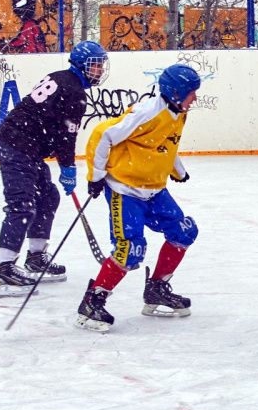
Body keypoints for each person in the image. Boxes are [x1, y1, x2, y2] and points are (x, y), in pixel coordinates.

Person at [76, 64, 203, 331]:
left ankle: (156, 288)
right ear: (176, 92)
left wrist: (178, 170)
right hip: (126, 190)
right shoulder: (147, 112)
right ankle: (93, 302)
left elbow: (166, 144)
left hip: (155, 189)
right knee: (130, 250)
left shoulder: (179, 112)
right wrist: (96, 176)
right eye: (192, 93)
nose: (195, 98)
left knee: (183, 232)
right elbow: (103, 135)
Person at [0, 40, 106, 293]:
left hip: (24, 146)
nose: (99, 70)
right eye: (95, 65)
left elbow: (53, 125)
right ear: (81, 65)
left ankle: (35, 257)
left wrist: (63, 162)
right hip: (16, 145)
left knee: (48, 196)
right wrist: (68, 167)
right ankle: (4, 267)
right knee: (21, 205)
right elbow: (66, 136)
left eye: (100, 65)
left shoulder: (61, 78)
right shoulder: (74, 91)